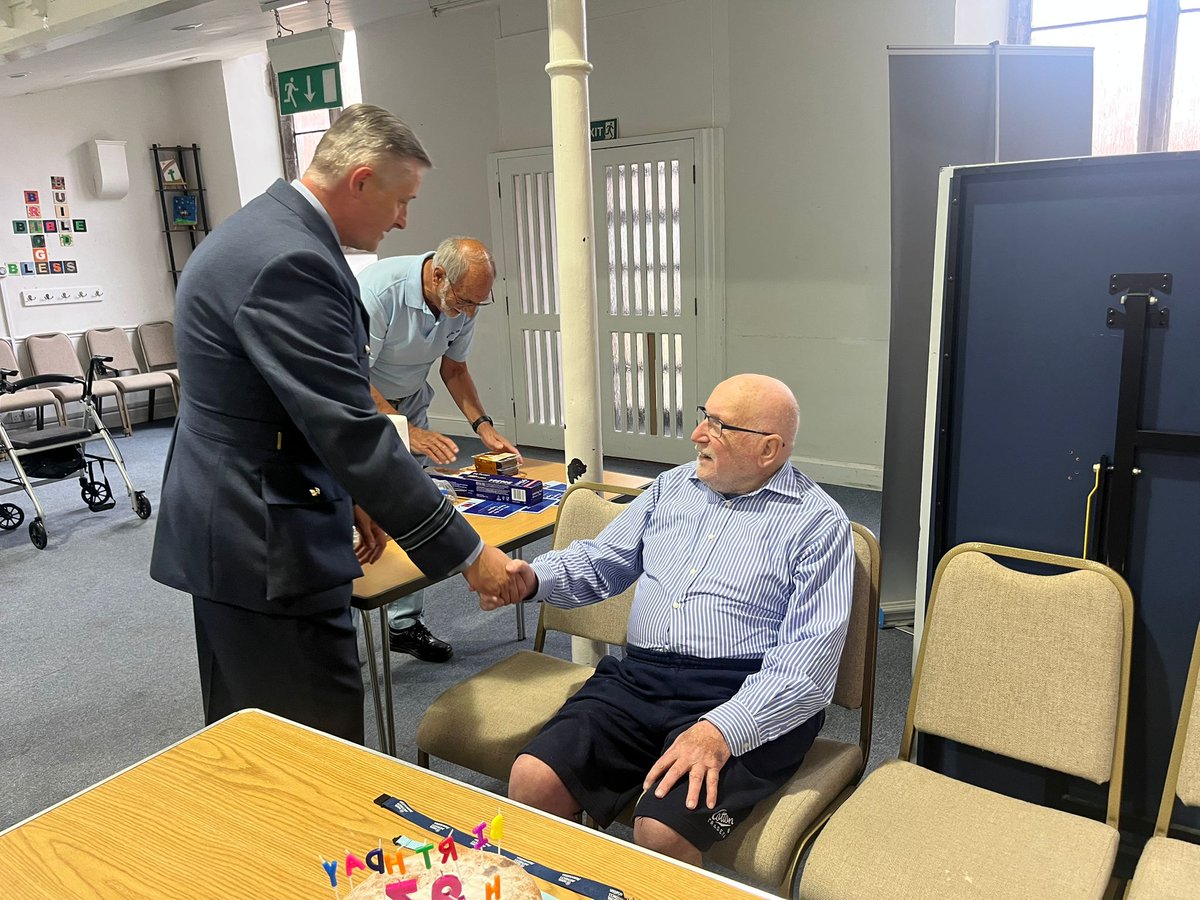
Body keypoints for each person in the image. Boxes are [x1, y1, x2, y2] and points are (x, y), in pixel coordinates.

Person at [150, 104, 521, 744]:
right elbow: (351, 427)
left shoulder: (270, 233)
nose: (405, 219)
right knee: (306, 744)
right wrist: (466, 551)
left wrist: (350, 495)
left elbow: (293, 407)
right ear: (360, 180)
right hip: (259, 534)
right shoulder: (289, 260)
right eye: (401, 200)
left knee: (255, 730)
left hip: (249, 512)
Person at [496, 374, 855, 864]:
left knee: (662, 832)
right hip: (641, 677)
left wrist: (721, 731)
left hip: (743, 692)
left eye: (719, 426)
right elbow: (603, 560)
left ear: (768, 449)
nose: (697, 434)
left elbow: (806, 672)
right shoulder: (671, 488)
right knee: (533, 780)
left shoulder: (818, 523)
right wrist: (533, 578)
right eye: (704, 415)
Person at [357, 237, 520, 663]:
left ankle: (404, 624)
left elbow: (455, 368)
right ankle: (341, 622)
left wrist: (482, 426)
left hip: (410, 400)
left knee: (412, 505)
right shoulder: (378, 292)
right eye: (465, 301)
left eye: (476, 306)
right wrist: (403, 429)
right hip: (357, 403)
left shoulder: (461, 301)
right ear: (437, 275)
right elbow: (350, 373)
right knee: (357, 510)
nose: (467, 313)